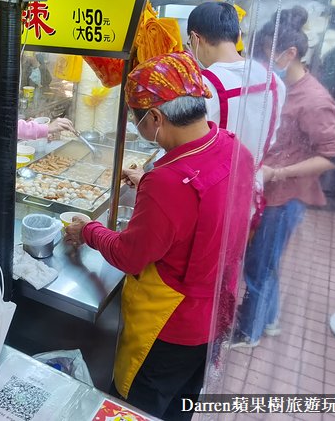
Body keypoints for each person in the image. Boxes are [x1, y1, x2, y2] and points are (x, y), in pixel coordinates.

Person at [64, 52, 254, 421]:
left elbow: (130, 256)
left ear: (155, 118)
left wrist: (88, 229)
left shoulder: (168, 182)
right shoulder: (233, 147)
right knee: (181, 404)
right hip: (214, 313)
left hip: (169, 327)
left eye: (139, 120)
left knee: (134, 407)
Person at [231, 7, 335, 349]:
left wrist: (277, 172)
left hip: (285, 196)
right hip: (269, 190)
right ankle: (270, 318)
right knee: (267, 261)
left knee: (258, 265)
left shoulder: (313, 99)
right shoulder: (280, 86)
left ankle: (248, 332)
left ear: (290, 54)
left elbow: (332, 155)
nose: (265, 62)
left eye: (268, 55)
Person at [188, 1, 286, 230]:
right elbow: (270, 139)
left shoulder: (203, 86)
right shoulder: (273, 80)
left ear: (195, 38)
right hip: (248, 192)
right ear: (238, 35)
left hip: (210, 199)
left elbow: (189, 152)